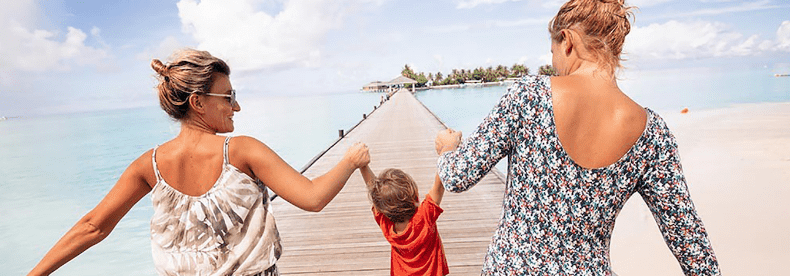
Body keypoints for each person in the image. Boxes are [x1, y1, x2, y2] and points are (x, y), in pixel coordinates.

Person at [435, 0, 720, 275]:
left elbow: (459, 176)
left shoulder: (529, 97)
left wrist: (448, 151)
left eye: (553, 52)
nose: (555, 64)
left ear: (567, 40)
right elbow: (691, 244)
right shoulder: (653, 134)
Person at [28, 48, 370, 276]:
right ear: (198, 102)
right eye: (229, 96)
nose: (236, 107)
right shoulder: (243, 150)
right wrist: (350, 160)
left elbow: (93, 227)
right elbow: (312, 198)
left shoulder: (149, 165)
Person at [360, 155, 452, 276]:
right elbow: (439, 186)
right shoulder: (424, 217)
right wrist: (446, 150)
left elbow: (374, 191)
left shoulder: (386, 225)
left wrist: (363, 166)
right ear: (414, 195)